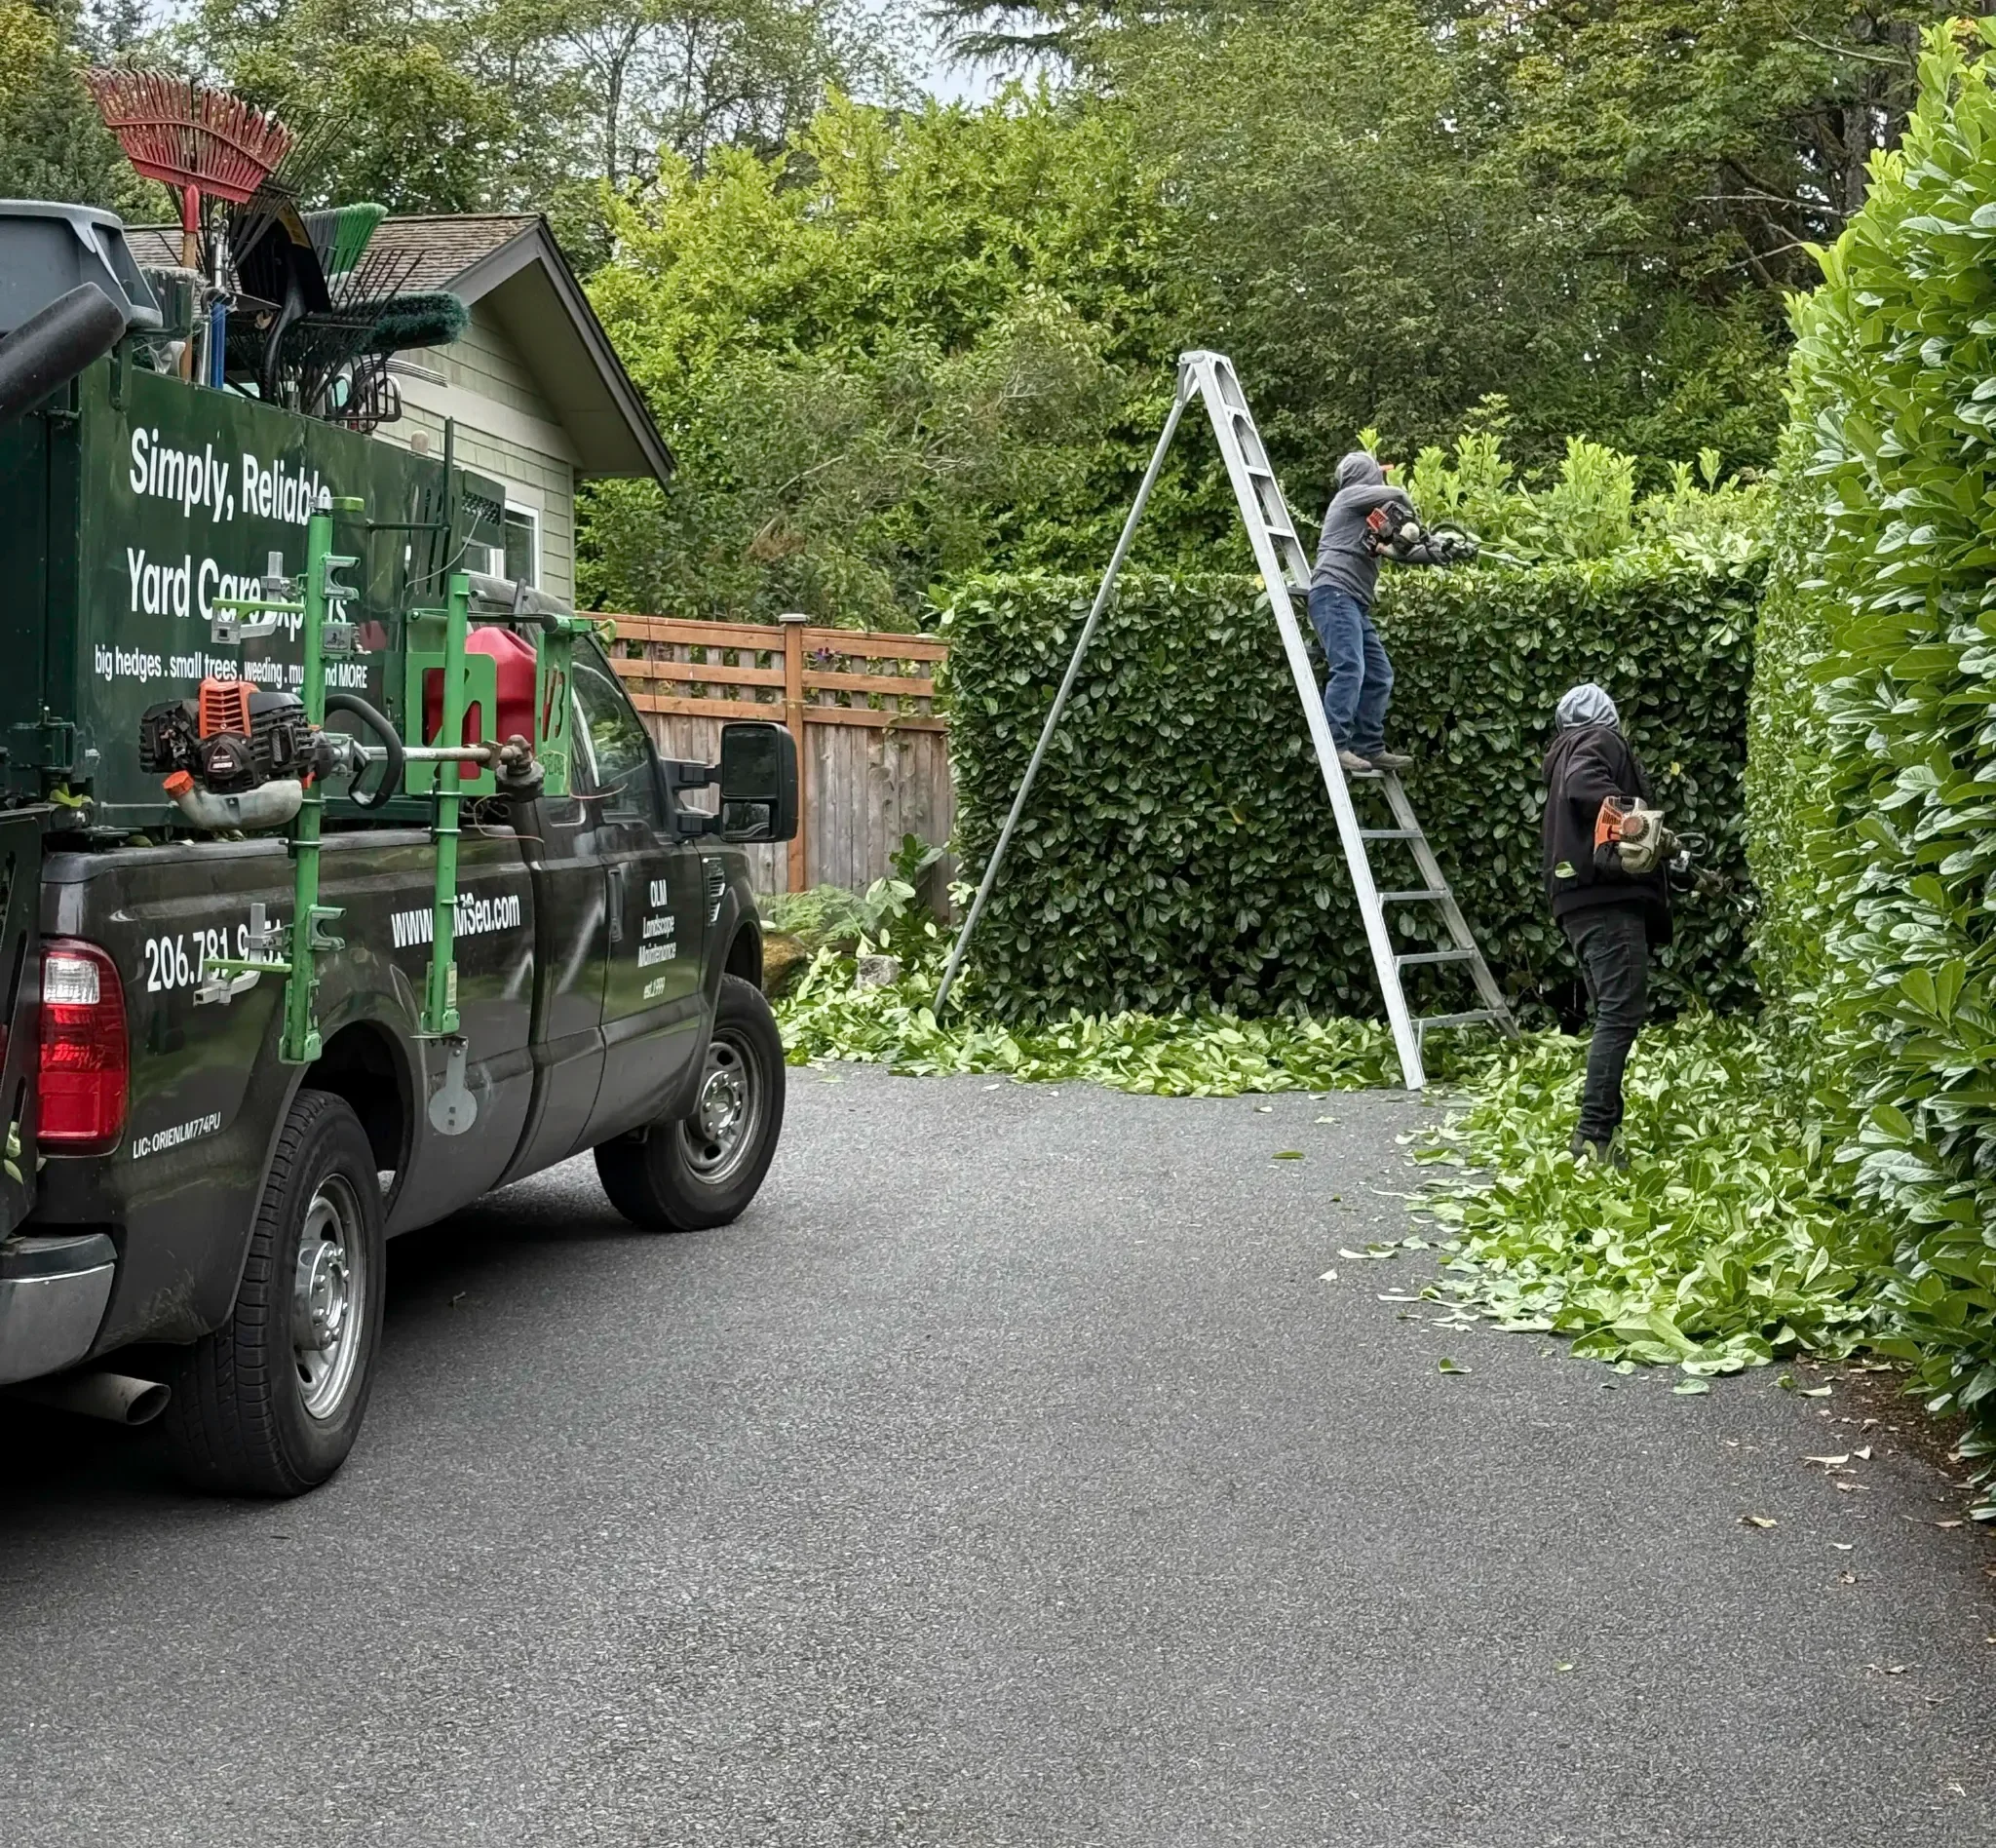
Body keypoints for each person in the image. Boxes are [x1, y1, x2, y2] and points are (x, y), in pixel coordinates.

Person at [1540, 683, 1671, 1166]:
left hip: (1575, 901)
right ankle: (1594, 1137)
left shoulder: (1562, 751)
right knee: (1620, 1014)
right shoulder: (1599, 741)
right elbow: (1585, 786)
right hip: (1607, 899)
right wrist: (1635, 820)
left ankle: (1602, 1130)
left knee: (1611, 1015)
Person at [1307, 451, 1460, 774]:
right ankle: (1333, 745)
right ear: (1366, 477)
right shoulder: (1346, 501)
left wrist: (1441, 552)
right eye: (1378, 476)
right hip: (1333, 594)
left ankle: (1369, 747)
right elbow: (1399, 494)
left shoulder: (1371, 521)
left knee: (1378, 674)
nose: (1382, 481)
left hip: (1354, 604)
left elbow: (1401, 552)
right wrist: (1420, 524)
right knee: (1349, 668)